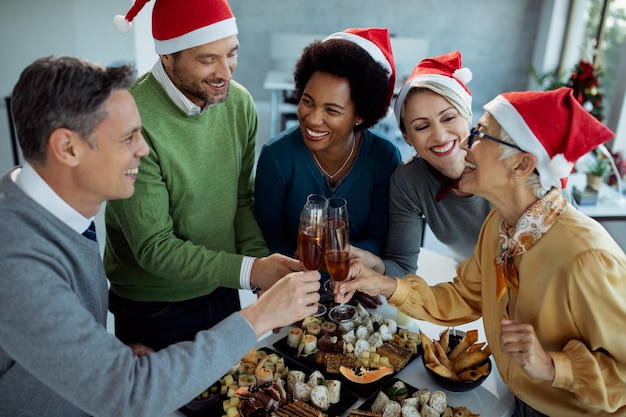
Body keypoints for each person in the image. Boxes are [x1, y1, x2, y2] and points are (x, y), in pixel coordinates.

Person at [0, 55, 320, 417]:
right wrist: (259, 316)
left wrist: (107, 354)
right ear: (67, 148)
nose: (144, 149)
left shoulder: (48, 210)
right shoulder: (16, 263)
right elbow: (130, 395)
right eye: (128, 137)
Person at [335, 88, 626, 416]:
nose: (465, 143)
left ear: (522, 164)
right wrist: (384, 284)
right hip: (518, 400)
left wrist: (552, 366)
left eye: (481, 134)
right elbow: (464, 297)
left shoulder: (588, 257)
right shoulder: (499, 225)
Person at [105, 0, 303, 351]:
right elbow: (154, 248)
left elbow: (241, 201)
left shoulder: (239, 104)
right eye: (207, 59)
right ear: (167, 56)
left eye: (231, 54)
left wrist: (262, 274)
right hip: (156, 307)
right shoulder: (129, 120)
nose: (225, 72)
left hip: (224, 290)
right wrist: (252, 271)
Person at [254, 28, 402, 297]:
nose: (312, 119)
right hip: (294, 289)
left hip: (358, 287)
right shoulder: (276, 156)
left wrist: (344, 265)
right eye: (307, 102)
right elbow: (268, 240)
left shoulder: (384, 158)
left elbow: (379, 239)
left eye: (331, 110)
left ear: (360, 115)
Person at [349, 51, 491, 277]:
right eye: (422, 127)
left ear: (467, 116)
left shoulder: (506, 158)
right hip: (473, 284)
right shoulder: (409, 180)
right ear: (407, 138)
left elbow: (563, 244)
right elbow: (403, 269)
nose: (440, 135)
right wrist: (375, 265)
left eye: (448, 118)